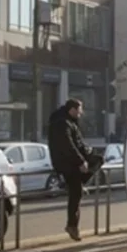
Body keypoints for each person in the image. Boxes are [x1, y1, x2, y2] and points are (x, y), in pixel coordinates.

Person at [47, 99, 101, 241]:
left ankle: (81, 182)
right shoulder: (62, 123)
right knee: (75, 193)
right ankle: (72, 226)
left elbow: (78, 143)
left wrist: (87, 153)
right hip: (66, 163)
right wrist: (80, 161)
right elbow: (67, 146)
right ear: (72, 110)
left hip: (72, 161)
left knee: (98, 160)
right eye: (79, 110)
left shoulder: (70, 122)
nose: (81, 113)